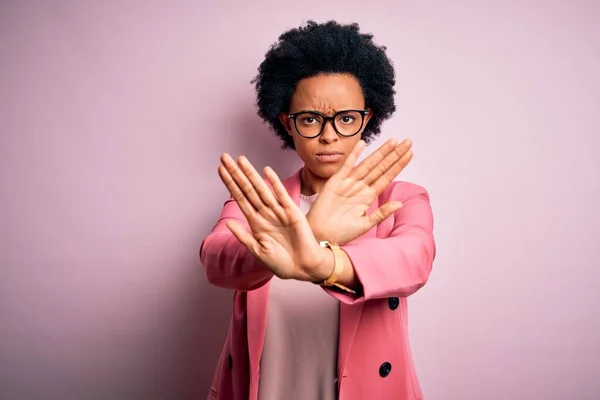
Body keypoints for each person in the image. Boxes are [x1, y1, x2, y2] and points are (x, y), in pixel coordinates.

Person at [200, 20, 436, 400]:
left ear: (367, 118)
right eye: (310, 119)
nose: (329, 135)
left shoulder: (404, 197)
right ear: (286, 123)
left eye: (345, 119)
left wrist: (321, 260)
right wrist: (304, 232)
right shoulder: (259, 203)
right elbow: (215, 259)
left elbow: (414, 259)